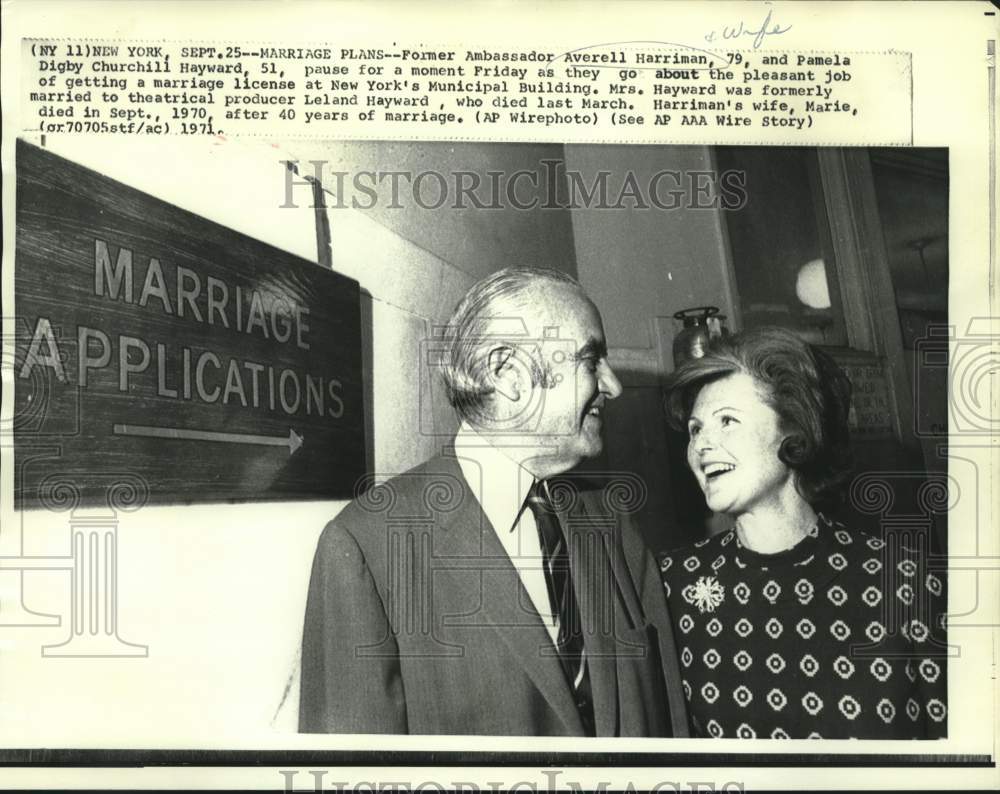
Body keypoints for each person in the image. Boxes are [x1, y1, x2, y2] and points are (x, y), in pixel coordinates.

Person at [299, 267, 688, 736]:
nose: (614, 385)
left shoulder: (613, 522)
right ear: (508, 374)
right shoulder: (367, 545)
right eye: (591, 359)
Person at [659, 326, 947, 739]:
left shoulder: (901, 578)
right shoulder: (674, 584)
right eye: (695, 429)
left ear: (793, 428)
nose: (703, 444)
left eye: (727, 421)